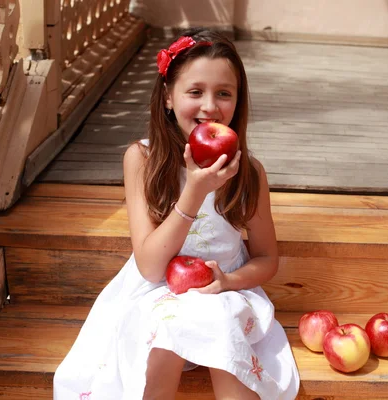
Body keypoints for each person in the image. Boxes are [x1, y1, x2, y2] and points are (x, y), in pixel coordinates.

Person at [53, 28, 300, 399]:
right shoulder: (142, 158)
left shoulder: (248, 171)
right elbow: (151, 267)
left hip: (224, 290)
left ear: (238, 101)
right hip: (156, 290)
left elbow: (266, 259)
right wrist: (195, 191)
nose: (210, 106)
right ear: (168, 96)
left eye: (224, 93)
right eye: (195, 91)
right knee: (164, 331)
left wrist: (229, 282)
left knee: (219, 320)